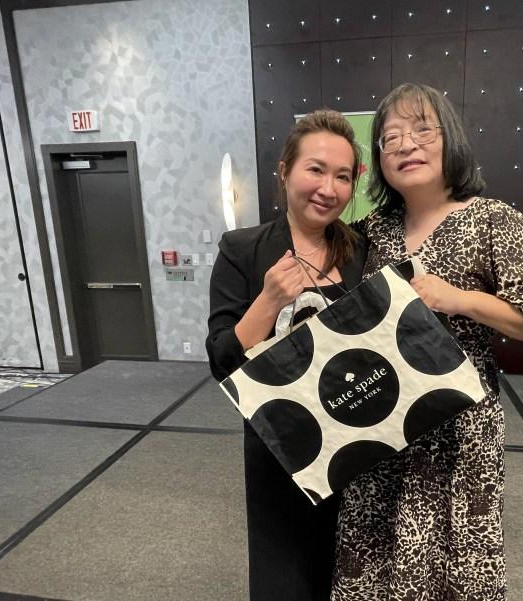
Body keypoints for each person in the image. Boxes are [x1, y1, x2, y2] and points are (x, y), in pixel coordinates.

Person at [330, 83, 523, 600]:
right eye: (390, 138)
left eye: (422, 130)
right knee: (374, 547)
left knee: (455, 555)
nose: (406, 145)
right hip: (383, 419)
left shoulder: (493, 220)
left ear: (450, 138)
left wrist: (462, 300)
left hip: (459, 423)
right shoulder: (367, 232)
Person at [206, 109, 366, 601]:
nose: (328, 188)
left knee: (350, 572)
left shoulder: (361, 250)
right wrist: (268, 300)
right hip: (280, 446)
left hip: (360, 440)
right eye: (315, 169)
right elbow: (221, 360)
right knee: (284, 574)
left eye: (343, 176)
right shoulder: (243, 249)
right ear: (285, 171)